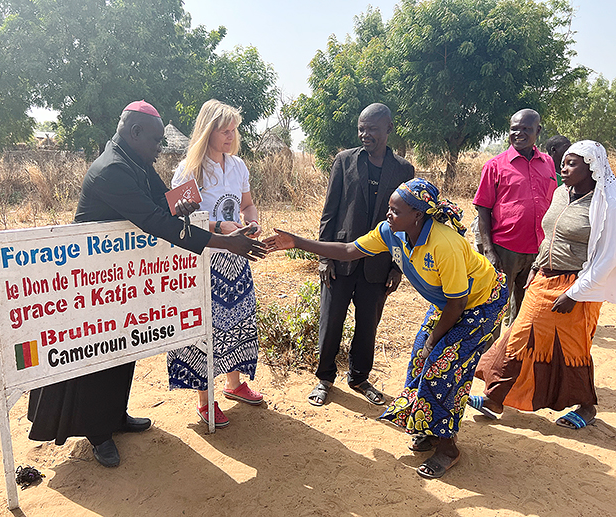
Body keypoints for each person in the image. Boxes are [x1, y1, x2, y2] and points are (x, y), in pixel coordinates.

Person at [27, 100, 266, 467]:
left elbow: (166, 202)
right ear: (135, 133)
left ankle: (114, 416)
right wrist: (224, 239)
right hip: (91, 279)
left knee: (122, 350)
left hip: (122, 276)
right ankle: (98, 433)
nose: (160, 149)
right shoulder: (112, 170)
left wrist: (188, 205)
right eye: (156, 141)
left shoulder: (135, 161)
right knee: (96, 355)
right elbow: (159, 222)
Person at [264, 178, 508, 479]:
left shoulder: (445, 244)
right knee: (420, 357)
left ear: (417, 214)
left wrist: (435, 338)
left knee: (442, 367)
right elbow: (349, 249)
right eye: (388, 209)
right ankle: (429, 430)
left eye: (395, 210)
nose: (388, 215)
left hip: (481, 303)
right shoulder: (391, 233)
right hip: (450, 302)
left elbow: (457, 305)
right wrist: (297, 242)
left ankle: (448, 448)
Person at [471, 140, 616, 429]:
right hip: (542, 277)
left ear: (592, 168)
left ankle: (586, 406)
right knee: (519, 334)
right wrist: (537, 268)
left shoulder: (606, 202)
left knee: (573, 346)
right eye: (564, 161)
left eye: (572, 163)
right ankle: (495, 397)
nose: (563, 166)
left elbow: (608, 255)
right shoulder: (562, 193)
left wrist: (576, 293)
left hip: (576, 284)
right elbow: (549, 236)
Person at [309, 103, 414, 407]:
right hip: (341, 258)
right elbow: (329, 212)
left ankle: (359, 377)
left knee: (368, 324)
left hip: (379, 263)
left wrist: (398, 267)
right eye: (361, 128)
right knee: (331, 322)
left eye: (372, 129)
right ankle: (324, 378)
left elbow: (406, 222)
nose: (365, 134)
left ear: (388, 129)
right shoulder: (344, 161)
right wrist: (324, 257)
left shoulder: (403, 169)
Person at [167, 100, 263, 428]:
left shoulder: (238, 166)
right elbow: (179, 219)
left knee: (237, 319)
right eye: (225, 130)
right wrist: (218, 227)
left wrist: (252, 222)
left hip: (236, 257)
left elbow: (248, 205)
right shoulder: (188, 170)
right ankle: (205, 402)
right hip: (203, 261)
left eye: (234, 130)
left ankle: (234, 384)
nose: (231, 136)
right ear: (208, 132)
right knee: (205, 326)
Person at [474, 109, 556, 333]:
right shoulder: (495, 165)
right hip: (504, 250)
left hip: (538, 251)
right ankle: (487, 362)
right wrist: (489, 250)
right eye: (514, 129)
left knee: (525, 311)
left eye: (526, 129)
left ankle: (512, 360)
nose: (518, 133)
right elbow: (483, 209)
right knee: (494, 308)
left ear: (537, 131)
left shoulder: (548, 163)